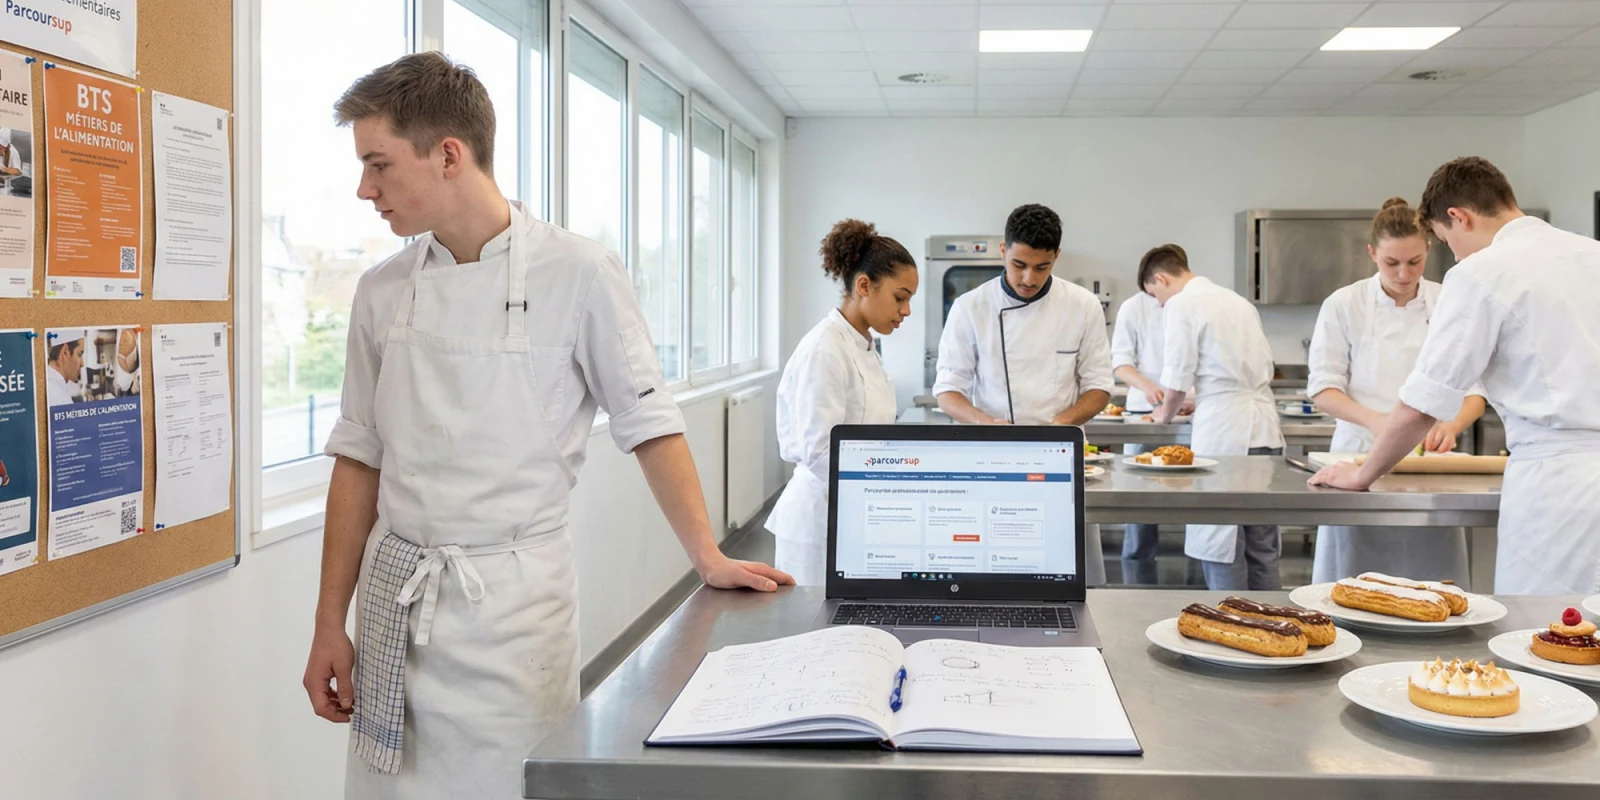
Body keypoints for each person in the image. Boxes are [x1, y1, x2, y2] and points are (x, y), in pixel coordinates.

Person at [301, 53, 790, 799]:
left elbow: (648, 421)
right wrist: (328, 623)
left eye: (378, 164)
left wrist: (707, 556)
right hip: (395, 598)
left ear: (448, 156)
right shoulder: (382, 292)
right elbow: (358, 459)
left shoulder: (581, 272)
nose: (364, 188)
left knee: (511, 785)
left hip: (513, 614)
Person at [1311, 157, 1600, 595]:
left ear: (1458, 217)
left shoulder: (1480, 273)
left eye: (1445, 242)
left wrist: (1362, 475)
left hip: (1557, 488)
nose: (1453, 254)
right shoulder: (1591, 253)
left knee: (1547, 628)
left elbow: (1425, 402)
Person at [1307, 198, 1486, 585]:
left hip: (1432, 463)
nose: (1404, 274)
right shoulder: (1344, 304)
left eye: (1414, 261)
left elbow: (1476, 389)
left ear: (1429, 250)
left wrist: (1451, 424)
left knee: (1433, 580)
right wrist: (1381, 423)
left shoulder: (1449, 301)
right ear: (1372, 253)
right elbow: (1323, 389)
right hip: (1358, 455)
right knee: (1353, 583)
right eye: (1392, 263)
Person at [934, 203, 1112, 586]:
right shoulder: (970, 308)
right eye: (1019, 264)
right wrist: (989, 424)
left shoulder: (1082, 306)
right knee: (991, 573)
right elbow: (948, 391)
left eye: (1041, 267)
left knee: (1068, 575)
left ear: (1056, 258)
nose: (1029, 278)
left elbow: (1099, 386)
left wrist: (1058, 426)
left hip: (1060, 458)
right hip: (988, 459)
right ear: (1003, 250)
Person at [769, 220, 917, 585]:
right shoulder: (825, 349)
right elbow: (820, 451)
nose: (906, 311)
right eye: (900, 297)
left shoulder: (862, 343)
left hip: (854, 508)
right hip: (820, 519)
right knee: (814, 632)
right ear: (864, 285)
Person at [1142, 245, 1285, 590]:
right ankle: (1276, 627)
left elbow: (1177, 377)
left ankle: (1232, 627)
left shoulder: (1181, 304)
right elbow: (1235, 374)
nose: (1159, 304)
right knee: (1261, 545)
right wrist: (1201, 399)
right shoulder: (1238, 302)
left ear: (1161, 279)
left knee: (1222, 544)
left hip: (1225, 435)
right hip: (1263, 431)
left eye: (1155, 296)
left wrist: (1164, 414)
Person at [1110, 246, 1192, 585]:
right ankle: (1137, 574)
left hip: (1190, 412)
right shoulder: (1134, 307)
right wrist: (1147, 387)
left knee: (1196, 493)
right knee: (1140, 499)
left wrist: (1180, 397)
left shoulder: (1193, 304)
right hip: (1145, 412)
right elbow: (1120, 363)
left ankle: (1195, 572)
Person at [45, 331, 83, 407]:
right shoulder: (57, 396)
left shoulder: (52, 384)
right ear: (65, 352)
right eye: (79, 354)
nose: (82, 364)